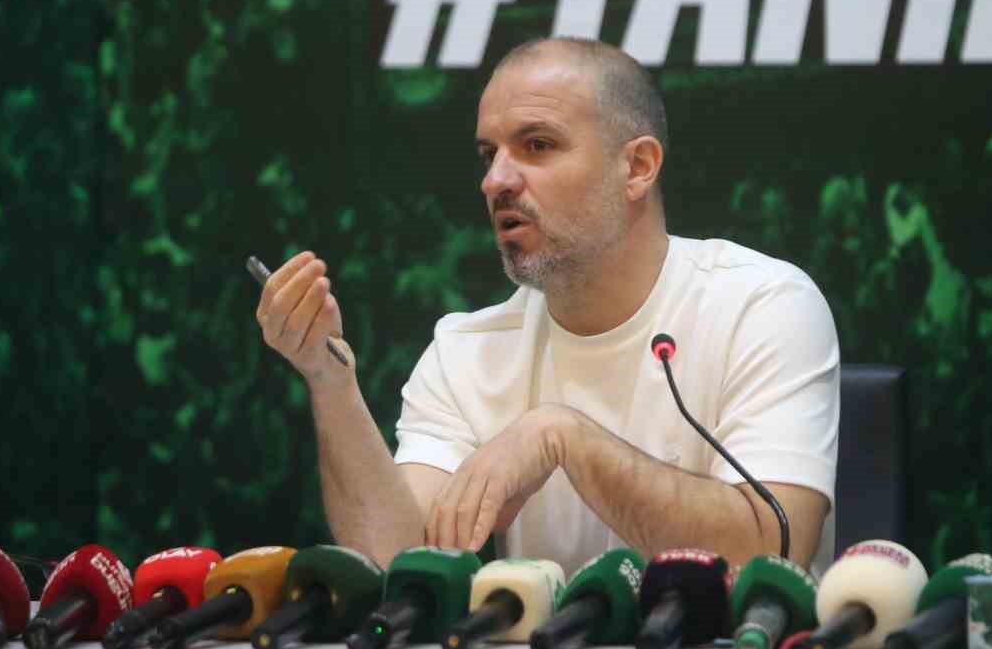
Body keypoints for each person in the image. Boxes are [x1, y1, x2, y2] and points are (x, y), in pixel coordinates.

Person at [255, 37, 839, 577]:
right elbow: (398, 564)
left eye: (537, 145)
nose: (496, 181)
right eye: (489, 154)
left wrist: (565, 436)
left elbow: (772, 551)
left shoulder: (762, 306)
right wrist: (329, 380)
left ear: (637, 167)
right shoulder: (467, 352)